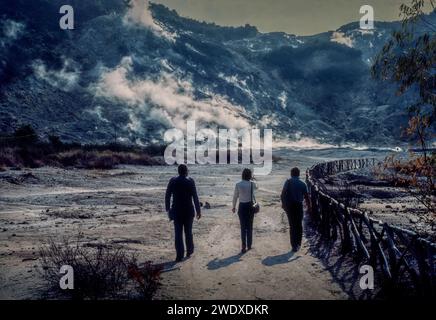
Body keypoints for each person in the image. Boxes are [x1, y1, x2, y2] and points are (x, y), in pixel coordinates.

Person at [165, 164, 201, 262]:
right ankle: (189, 250)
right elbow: (195, 197)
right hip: (189, 210)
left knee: (178, 233)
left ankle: (179, 255)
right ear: (186, 171)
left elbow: (167, 195)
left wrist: (168, 210)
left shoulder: (173, 180)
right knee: (188, 232)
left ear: (178, 171)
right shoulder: (190, 181)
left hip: (176, 210)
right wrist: (198, 210)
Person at [280, 167, 311, 252]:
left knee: (292, 225)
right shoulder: (302, 183)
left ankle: (293, 245)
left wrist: (283, 204)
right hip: (298, 206)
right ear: (298, 173)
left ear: (291, 173)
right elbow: (307, 197)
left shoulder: (288, 182)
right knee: (299, 225)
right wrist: (309, 207)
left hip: (290, 206)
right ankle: (298, 244)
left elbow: (282, 194)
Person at [232, 168, 258, 254]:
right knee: (250, 226)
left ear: (242, 175)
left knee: (243, 228)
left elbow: (235, 197)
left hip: (242, 206)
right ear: (250, 175)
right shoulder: (252, 184)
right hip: (250, 206)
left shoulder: (238, 184)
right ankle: (249, 245)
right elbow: (257, 187)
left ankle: (243, 246)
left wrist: (233, 207)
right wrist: (253, 179)